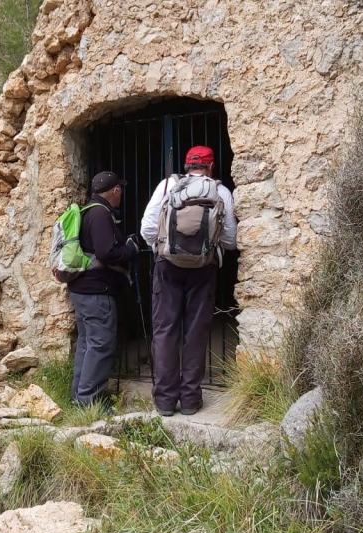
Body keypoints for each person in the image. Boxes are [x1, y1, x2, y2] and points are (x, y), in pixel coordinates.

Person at [140, 146, 237, 416]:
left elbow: (147, 228)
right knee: (195, 333)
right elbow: (230, 239)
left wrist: (165, 248)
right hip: (204, 270)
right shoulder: (221, 192)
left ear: (186, 165)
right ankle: (191, 400)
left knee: (165, 331)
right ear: (211, 166)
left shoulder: (167, 185)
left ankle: (165, 401)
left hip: (167, 268)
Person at [67, 170, 140, 407]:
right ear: (115, 190)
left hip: (81, 290)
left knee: (87, 345)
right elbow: (106, 252)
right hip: (96, 292)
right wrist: (130, 248)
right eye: (120, 190)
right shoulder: (100, 214)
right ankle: (90, 401)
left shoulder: (87, 210)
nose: (121, 194)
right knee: (100, 346)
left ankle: (79, 397)